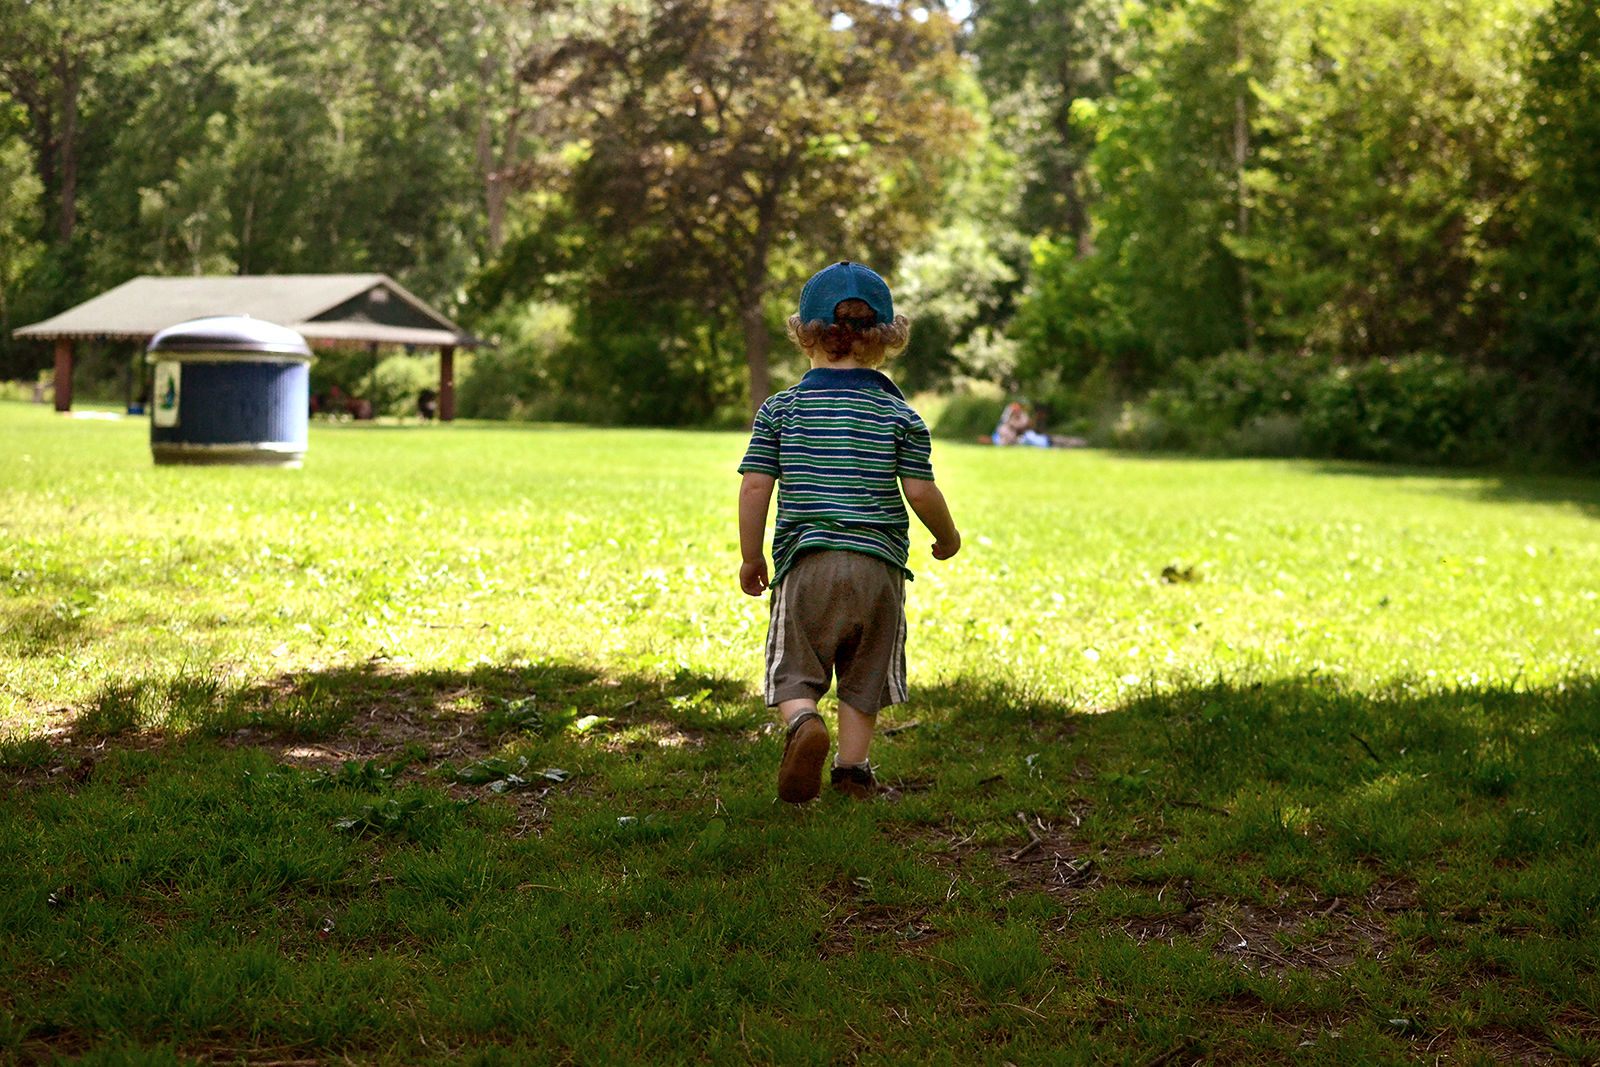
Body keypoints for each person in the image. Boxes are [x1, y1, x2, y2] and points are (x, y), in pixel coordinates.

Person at [736, 261, 961, 803]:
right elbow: (921, 491)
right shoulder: (897, 412)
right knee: (864, 677)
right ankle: (853, 772)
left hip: (806, 560)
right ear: (884, 341)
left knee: (795, 669)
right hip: (878, 568)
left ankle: (803, 725)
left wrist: (751, 556)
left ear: (804, 335)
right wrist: (947, 537)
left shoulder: (781, 409)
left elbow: (755, 488)